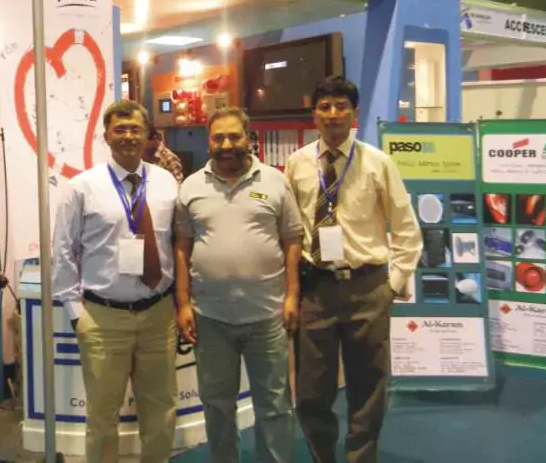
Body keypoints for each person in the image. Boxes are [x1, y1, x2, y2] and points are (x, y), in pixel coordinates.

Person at [284, 76, 422, 463]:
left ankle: (361, 458)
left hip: (367, 289)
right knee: (311, 392)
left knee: (368, 388)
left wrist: (391, 286)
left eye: (341, 106)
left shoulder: (378, 163)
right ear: (315, 115)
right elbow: (290, 229)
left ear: (353, 114)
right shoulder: (296, 164)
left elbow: (407, 229)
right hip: (315, 290)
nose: (333, 114)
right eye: (325, 106)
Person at [52, 99, 179, 463]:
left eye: (135, 129)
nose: (128, 136)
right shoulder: (82, 187)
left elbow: (176, 243)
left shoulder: (167, 183)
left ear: (148, 135)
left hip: (159, 316)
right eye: (119, 129)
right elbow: (63, 249)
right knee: (102, 416)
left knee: (161, 410)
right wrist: (75, 314)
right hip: (104, 318)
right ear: (106, 136)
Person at [174, 107, 302, 463]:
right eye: (219, 137)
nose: (227, 144)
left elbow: (292, 240)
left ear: (249, 138)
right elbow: (182, 247)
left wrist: (292, 295)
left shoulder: (275, 181)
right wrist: (183, 303)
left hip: (268, 316)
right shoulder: (191, 186)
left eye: (234, 136)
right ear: (209, 141)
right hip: (210, 318)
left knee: (275, 406)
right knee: (217, 405)